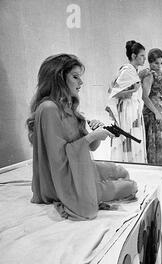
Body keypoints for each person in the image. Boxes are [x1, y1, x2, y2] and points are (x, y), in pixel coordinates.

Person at [27, 54, 138, 221]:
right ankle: (95, 191)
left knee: (122, 171)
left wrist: (98, 134)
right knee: (131, 187)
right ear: (59, 78)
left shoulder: (68, 105)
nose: (81, 82)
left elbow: (90, 148)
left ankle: (97, 187)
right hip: (63, 181)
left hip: (80, 167)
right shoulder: (49, 108)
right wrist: (91, 136)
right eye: (75, 77)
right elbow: (59, 160)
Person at [107, 40, 147, 163]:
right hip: (127, 110)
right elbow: (114, 93)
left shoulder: (133, 71)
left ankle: (134, 164)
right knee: (129, 138)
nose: (144, 59)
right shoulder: (128, 70)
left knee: (134, 138)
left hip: (133, 109)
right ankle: (128, 164)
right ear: (134, 56)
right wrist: (132, 91)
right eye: (142, 56)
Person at [140, 48, 162, 165]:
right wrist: (156, 112)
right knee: (155, 143)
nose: (159, 66)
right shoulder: (149, 75)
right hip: (151, 111)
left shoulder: (159, 74)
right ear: (150, 62)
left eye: (161, 63)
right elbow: (144, 96)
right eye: (156, 63)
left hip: (159, 109)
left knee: (160, 142)